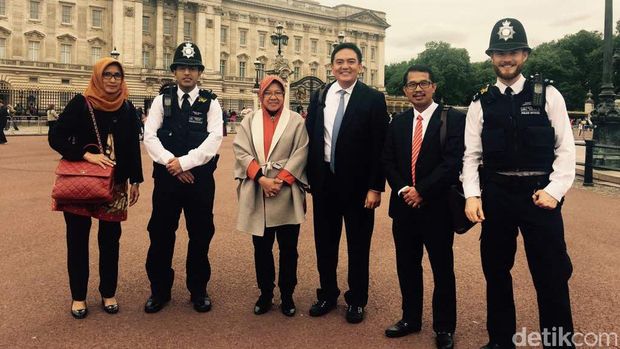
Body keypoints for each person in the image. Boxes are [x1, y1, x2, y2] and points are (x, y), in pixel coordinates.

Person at [462, 18, 576, 349]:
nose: (506, 59)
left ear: (524, 55)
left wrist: (554, 192)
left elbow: (566, 150)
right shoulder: (480, 101)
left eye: (512, 52)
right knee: (496, 272)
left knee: (551, 275)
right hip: (497, 194)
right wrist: (472, 196)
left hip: (539, 194)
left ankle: (558, 343)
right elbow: (471, 156)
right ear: (491, 57)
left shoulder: (549, 94)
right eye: (499, 53)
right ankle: (500, 341)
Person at [48, 58, 143, 319]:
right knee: (77, 241)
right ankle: (78, 296)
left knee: (110, 241)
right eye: (108, 75)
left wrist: (136, 180)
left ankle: (108, 292)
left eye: (117, 76)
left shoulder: (126, 107)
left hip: (116, 184)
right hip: (82, 180)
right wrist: (84, 154)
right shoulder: (82, 103)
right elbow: (55, 136)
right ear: (98, 77)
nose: (113, 80)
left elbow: (133, 147)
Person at [382, 65, 465, 349]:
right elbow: (388, 161)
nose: (418, 89)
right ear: (404, 90)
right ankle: (410, 318)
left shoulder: (453, 119)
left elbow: (453, 162)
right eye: (412, 85)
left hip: (437, 207)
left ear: (434, 87)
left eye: (423, 83)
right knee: (407, 266)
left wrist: (423, 191)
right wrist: (405, 189)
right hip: (404, 206)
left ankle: (444, 326)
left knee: (442, 268)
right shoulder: (399, 122)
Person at [305, 42, 389, 323]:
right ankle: (327, 293)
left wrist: (376, 186)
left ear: (360, 67)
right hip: (325, 183)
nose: (345, 66)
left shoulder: (373, 98)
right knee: (325, 243)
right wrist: (310, 179)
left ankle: (357, 299)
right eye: (339, 61)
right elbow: (310, 139)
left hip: (359, 186)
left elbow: (381, 146)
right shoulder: (320, 96)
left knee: (358, 245)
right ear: (331, 67)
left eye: (351, 61)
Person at [142, 41, 223, 314]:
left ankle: (198, 289)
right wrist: (172, 163)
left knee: (200, 234)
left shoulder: (210, 103)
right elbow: (149, 137)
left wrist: (185, 163)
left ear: (199, 72)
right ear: (174, 71)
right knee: (161, 234)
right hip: (167, 180)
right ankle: (159, 290)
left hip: (198, 181)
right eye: (182, 68)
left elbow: (214, 140)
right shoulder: (160, 100)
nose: (187, 73)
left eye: (192, 68)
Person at [233, 75, 308, 317]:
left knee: (289, 249)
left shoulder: (296, 120)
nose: (273, 97)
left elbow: (302, 151)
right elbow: (241, 152)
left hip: (285, 191)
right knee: (261, 249)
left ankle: (287, 294)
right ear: (261, 96)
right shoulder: (249, 120)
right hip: (259, 188)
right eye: (268, 93)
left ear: (284, 96)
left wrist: (282, 179)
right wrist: (262, 179)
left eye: (278, 92)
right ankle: (266, 293)